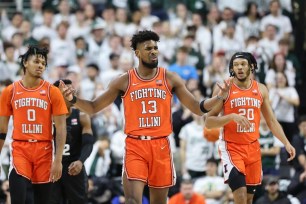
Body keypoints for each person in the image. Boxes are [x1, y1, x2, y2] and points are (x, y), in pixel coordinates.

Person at [59, 30, 229, 204]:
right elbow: (94, 107)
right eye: (148, 48)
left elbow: (198, 108)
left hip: (161, 145)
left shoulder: (169, 77)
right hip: (136, 144)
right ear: (137, 53)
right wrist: (72, 99)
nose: (154, 51)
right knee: (133, 200)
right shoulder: (124, 80)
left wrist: (218, 99)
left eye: (155, 47)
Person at [205, 52, 296, 204]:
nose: (239, 68)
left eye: (243, 64)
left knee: (248, 199)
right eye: (236, 65)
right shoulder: (224, 88)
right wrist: (231, 117)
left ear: (252, 67)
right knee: (240, 197)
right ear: (232, 68)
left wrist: (286, 142)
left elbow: (272, 121)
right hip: (231, 147)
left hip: (253, 147)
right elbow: (209, 122)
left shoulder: (261, 89)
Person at [0, 45, 68, 204]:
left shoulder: (53, 91)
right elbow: (2, 130)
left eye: (43, 64)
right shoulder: (10, 91)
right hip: (20, 150)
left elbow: (61, 129)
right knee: (18, 198)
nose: (40, 66)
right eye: (37, 61)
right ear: (25, 62)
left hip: (44, 151)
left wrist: (58, 161)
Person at [49, 79, 94, 204]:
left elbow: (88, 143)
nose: (71, 94)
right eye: (67, 91)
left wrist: (81, 161)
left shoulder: (82, 116)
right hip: (51, 168)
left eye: (72, 91)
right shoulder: (46, 117)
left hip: (73, 167)